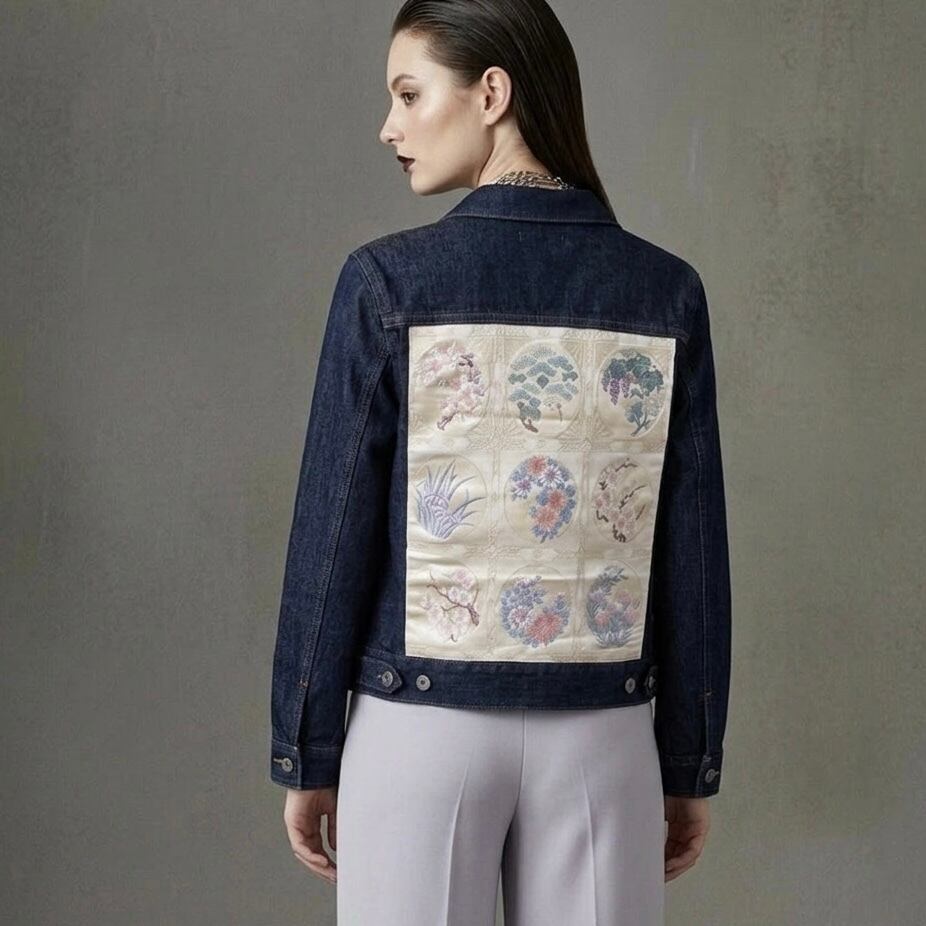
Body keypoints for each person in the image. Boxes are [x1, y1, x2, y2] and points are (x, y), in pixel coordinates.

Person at [269, 1, 733, 923]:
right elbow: (692, 551)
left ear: (491, 93)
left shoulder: (387, 282)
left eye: (409, 94)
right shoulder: (665, 292)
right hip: (603, 738)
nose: (389, 126)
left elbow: (333, 536)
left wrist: (306, 748)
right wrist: (689, 760)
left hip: (418, 731)